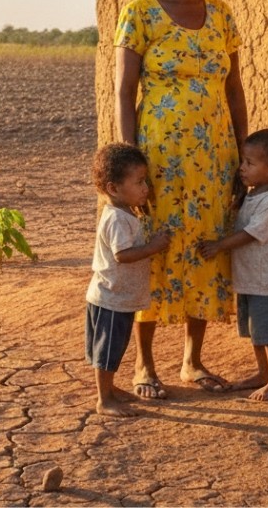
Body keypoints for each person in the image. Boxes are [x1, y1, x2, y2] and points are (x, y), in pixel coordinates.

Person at [114, 0, 249, 399]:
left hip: (214, 159)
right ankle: (145, 365)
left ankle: (193, 361)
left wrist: (241, 152)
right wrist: (131, 165)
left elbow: (234, 91)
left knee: (205, 249)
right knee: (157, 250)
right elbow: (125, 91)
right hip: (160, 158)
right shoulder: (140, 13)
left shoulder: (222, 14)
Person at [199, 128, 268, 402]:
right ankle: (263, 373)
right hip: (251, 279)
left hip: (267, 281)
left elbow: (251, 233)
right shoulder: (253, 194)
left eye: (249, 164)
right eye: (243, 161)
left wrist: (219, 245)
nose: (242, 168)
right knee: (256, 331)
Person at [86, 143, 173, 417]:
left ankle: (109, 390)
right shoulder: (116, 219)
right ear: (114, 189)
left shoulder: (124, 213)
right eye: (138, 182)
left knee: (111, 348)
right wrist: (155, 246)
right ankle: (104, 400)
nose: (146, 187)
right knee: (108, 351)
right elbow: (123, 255)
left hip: (114, 296)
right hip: (113, 298)